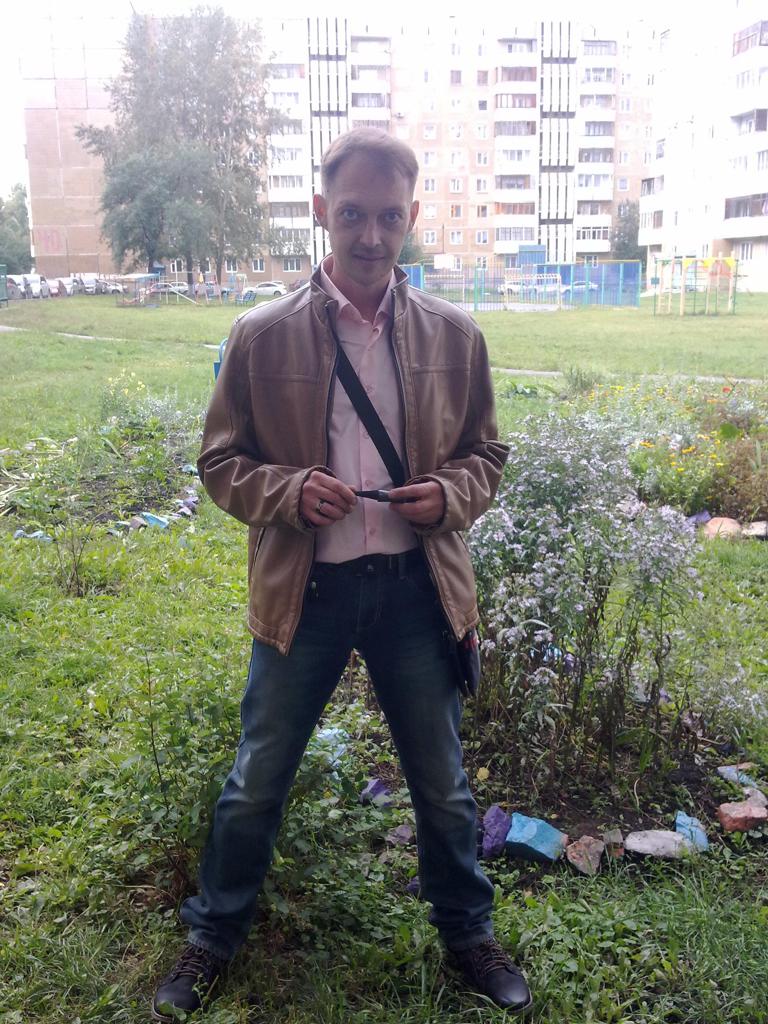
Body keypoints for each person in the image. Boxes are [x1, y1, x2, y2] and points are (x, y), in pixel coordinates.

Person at [152, 127, 531, 1020]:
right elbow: (220, 463)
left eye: (389, 217)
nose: (371, 235)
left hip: (415, 592)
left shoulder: (454, 335)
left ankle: (468, 934)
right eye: (353, 214)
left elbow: (487, 453)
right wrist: (287, 492)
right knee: (258, 778)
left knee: (442, 783)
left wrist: (449, 495)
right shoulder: (261, 335)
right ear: (322, 210)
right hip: (306, 595)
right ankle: (213, 937)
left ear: (412, 217)